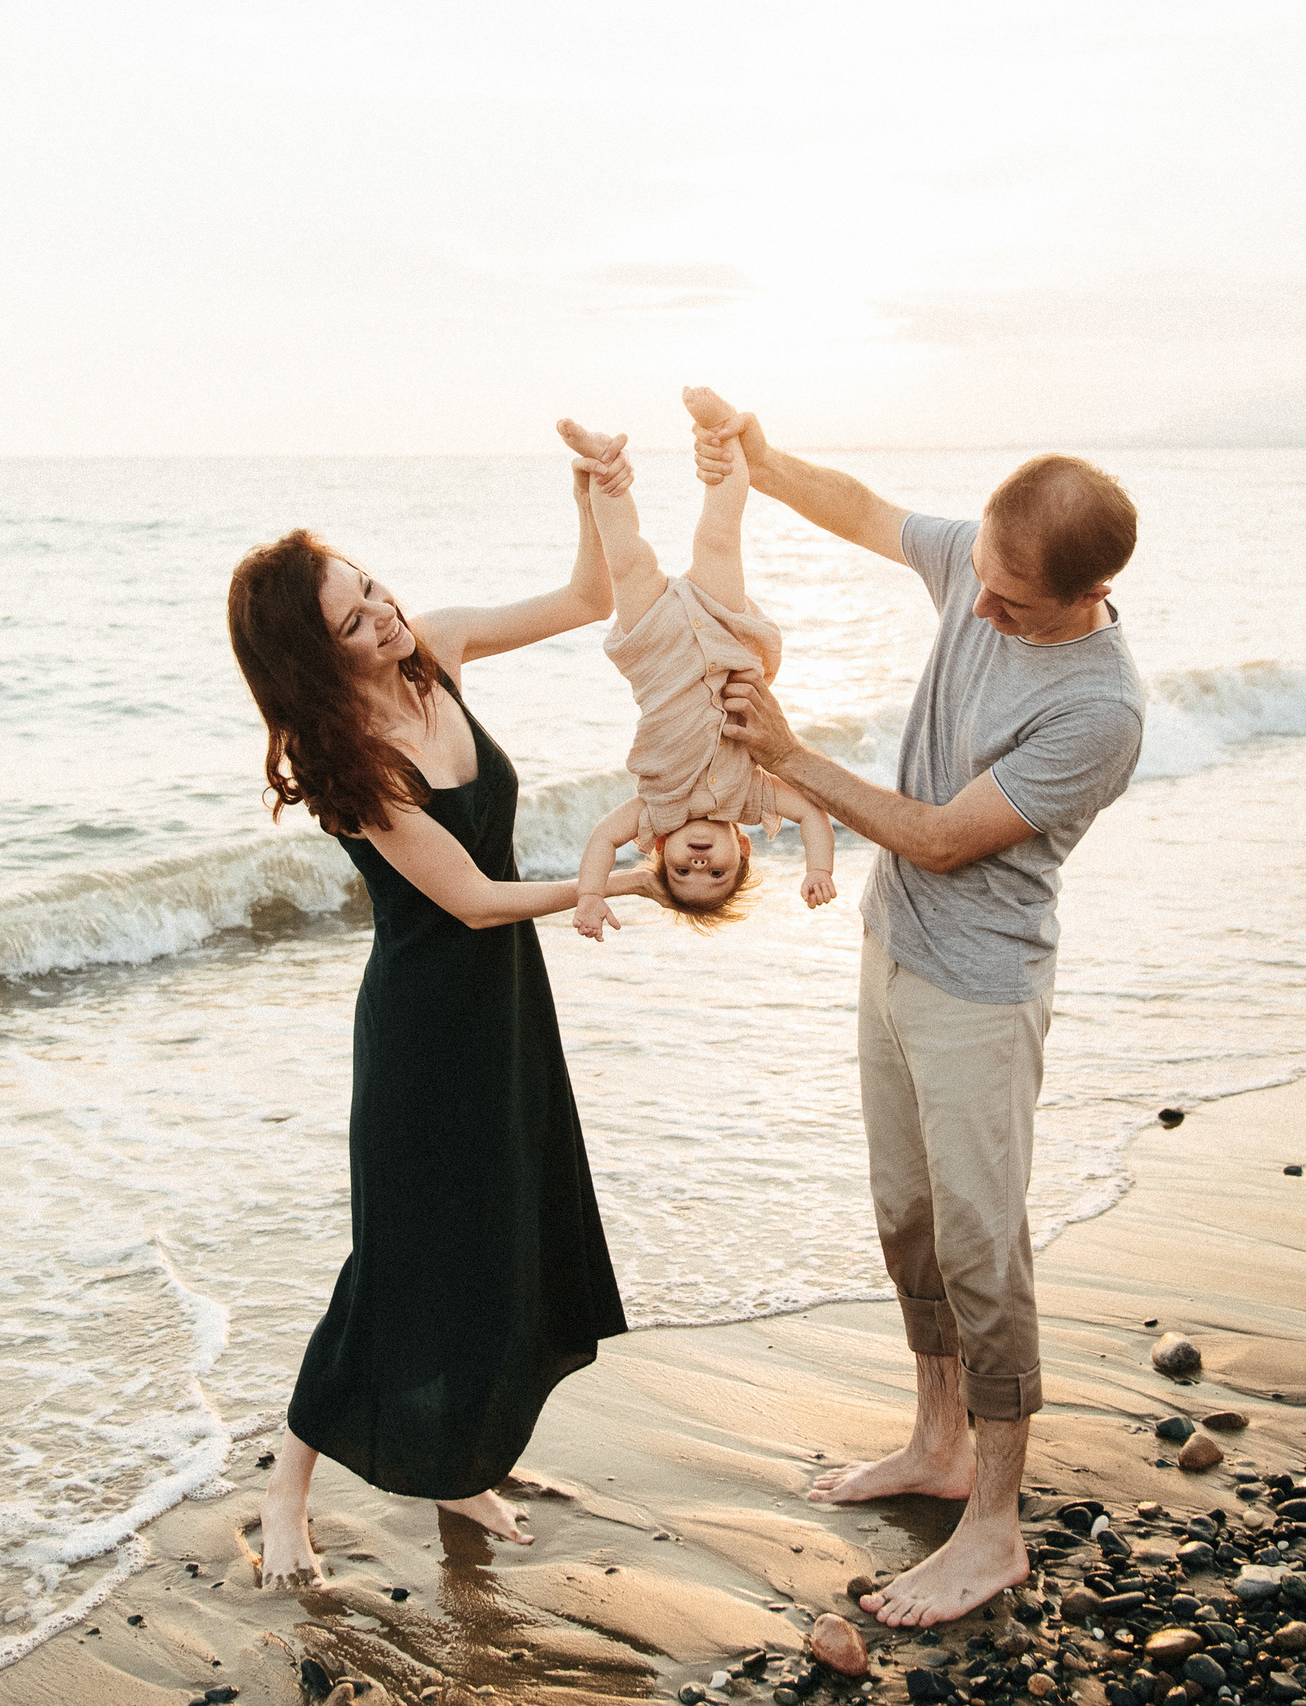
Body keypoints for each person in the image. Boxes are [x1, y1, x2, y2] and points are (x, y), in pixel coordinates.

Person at [692, 391, 1146, 1626]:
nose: (979, 607)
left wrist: (788, 755)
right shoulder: (985, 561)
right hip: (891, 949)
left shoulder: (1100, 708)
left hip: (980, 991)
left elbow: (943, 838)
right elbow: (868, 512)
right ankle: (938, 1439)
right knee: (906, 1220)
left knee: (981, 1249)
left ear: (1089, 591)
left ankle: (993, 1524)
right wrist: (765, 463)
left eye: (1010, 601)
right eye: (978, 576)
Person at [222, 446, 656, 1582]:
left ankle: (459, 1467)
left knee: (496, 1237)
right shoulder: (349, 764)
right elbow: (469, 899)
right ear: (315, 658)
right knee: (402, 1258)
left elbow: (588, 597)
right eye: (352, 620)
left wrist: (591, 498)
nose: (383, 614)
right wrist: (618, 881)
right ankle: (286, 1486)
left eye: (370, 586)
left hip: (506, 1007)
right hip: (426, 1029)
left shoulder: (441, 649)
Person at [561, 389, 838, 938]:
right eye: (716, 872)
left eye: (682, 872)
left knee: (625, 557)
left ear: (660, 850)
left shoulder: (652, 812)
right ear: (742, 848)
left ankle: (603, 462)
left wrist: (591, 896)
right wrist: (818, 869)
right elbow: (812, 813)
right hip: (727, 637)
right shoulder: (752, 797)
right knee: (719, 537)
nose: (699, 862)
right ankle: (720, 432)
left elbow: (603, 839)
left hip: (656, 653)